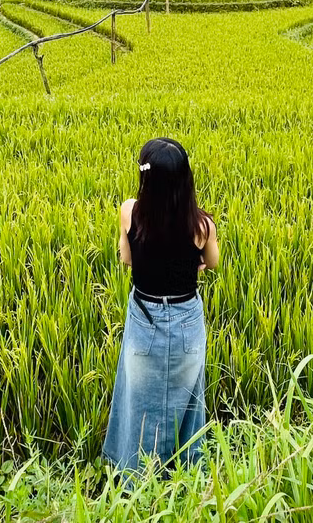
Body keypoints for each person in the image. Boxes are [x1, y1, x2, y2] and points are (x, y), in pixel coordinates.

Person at [103, 137, 219, 476]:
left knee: (139, 402)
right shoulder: (202, 226)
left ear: (145, 178)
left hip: (145, 318)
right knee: (187, 401)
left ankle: (137, 479)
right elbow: (211, 262)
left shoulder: (129, 212)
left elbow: (127, 259)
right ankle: (186, 477)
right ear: (185, 179)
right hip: (186, 322)